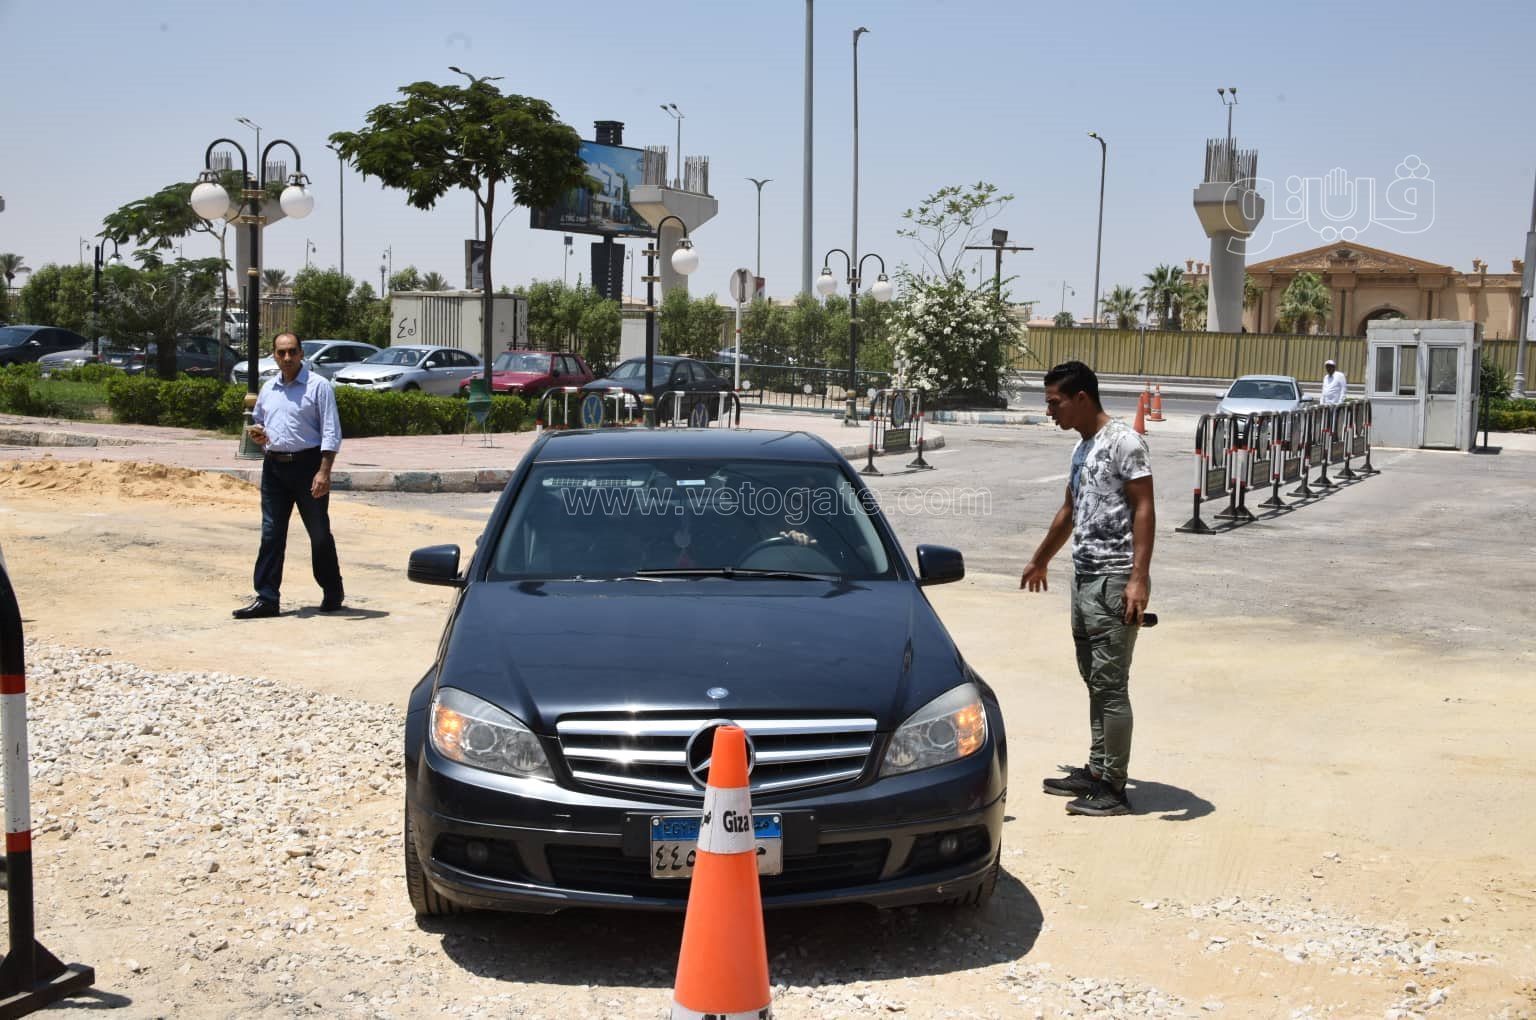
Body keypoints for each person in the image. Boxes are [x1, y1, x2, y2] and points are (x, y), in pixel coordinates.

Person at [1019, 361, 1155, 817]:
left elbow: (1144, 508)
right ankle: (1097, 770)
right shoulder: (1084, 448)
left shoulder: (1124, 442)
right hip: (1085, 579)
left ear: (1081, 398)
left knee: (1112, 686)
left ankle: (1114, 789)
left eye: (1054, 402)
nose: (1050, 411)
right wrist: (1041, 558)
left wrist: (1138, 577)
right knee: (1094, 679)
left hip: (1115, 580)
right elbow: (1070, 509)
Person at [233, 333, 345, 619]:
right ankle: (267, 598)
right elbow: (261, 420)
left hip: (308, 467)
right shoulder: (269, 388)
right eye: (281, 352)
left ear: (301, 354)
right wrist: (260, 434)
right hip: (274, 467)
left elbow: (331, 431)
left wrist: (324, 471)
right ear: (274, 355)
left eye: (292, 352)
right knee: (271, 533)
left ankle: (332, 591)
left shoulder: (318, 387)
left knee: (319, 533)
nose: (287, 357)